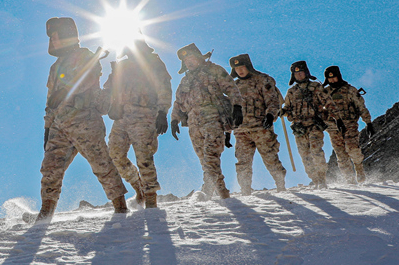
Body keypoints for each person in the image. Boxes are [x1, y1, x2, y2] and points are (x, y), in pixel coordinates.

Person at [24, 17, 128, 223]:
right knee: (50, 168)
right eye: (51, 38)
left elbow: (88, 79)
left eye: (55, 36)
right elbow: (50, 100)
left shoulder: (85, 56)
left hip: (84, 121)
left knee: (100, 163)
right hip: (59, 125)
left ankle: (121, 207)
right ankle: (45, 214)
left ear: (66, 36)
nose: (53, 41)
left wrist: (65, 91)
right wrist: (47, 126)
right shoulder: (55, 67)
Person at [103, 37, 173, 208]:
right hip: (122, 117)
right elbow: (108, 89)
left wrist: (163, 112)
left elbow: (164, 87)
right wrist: (109, 105)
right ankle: (139, 188)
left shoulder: (153, 63)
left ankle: (150, 198)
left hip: (145, 115)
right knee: (115, 154)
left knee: (144, 157)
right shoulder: (120, 66)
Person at [170, 44, 243, 199]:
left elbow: (231, 88)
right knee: (204, 161)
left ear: (198, 58)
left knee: (211, 158)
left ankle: (221, 194)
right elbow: (178, 102)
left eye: (191, 58)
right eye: (186, 60)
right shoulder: (185, 81)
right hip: (193, 124)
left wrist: (237, 106)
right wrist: (174, 120)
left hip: (213, 118)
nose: (189, 62)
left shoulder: (213, 70)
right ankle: (210, 192)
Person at [228, 54, 286, 194]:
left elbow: (272, 101)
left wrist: (270, 115)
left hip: (261, 128)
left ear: (248, 66)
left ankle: (280, 185)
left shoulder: (262, 80)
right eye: (237, 68)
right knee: (242, 162)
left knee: (270, 157)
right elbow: (230, 110)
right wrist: (227, 131)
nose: (240, 71)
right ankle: (245, 190)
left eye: (242, 67)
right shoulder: (234, 86)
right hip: (241, 131)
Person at [281, 61, 344, 188]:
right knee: (305, 156)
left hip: (315, 125)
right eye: (296, 73)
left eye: (301, 72)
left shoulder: (316, 87)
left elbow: (329, 102)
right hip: (299, 128)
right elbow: (287, 107)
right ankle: (315, 179)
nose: (299, 75)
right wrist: (282, 111)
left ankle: (322, 179)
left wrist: (338, 118)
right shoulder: (291, 91)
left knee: (316, 152)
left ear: (306, 73)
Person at [323, 65, 374, 183]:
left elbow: (361, 107)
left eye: (334, 77)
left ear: (339, 76)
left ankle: (359, 170)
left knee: (352, 149)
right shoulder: (324, 93)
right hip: (332, 128)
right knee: (341, 155)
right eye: (329, 78)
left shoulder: (349, 90)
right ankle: (349, 179)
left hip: (349, 125)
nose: (332, 80)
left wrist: (368, 123)